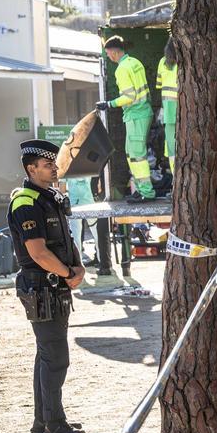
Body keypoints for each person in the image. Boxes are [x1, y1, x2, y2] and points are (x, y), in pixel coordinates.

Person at [7, 140, 85, 433]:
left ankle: (44, 421)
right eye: (48, 164)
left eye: (54, 163)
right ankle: (54, 423)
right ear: (31, 168)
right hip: (41, 286)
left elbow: (65, 240)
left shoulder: (48, 197)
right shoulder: (26, 202)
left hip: (54, 286)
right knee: (55, 357)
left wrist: (77, 269)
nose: (54, 168)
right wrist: (67, 273)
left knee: (47, 355)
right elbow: (38, 252)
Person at [96, 35, 156, 203]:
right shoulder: (135, 62)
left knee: (137, 155)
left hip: (136, 114)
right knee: (132, 153)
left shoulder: (121, 69)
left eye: (108, 53)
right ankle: (140, 189)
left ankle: (146, 192)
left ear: (114, 52)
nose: (108, 56)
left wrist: (108, 104)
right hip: (142, 112)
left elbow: (129, 97)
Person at [64, 175, 97, 265]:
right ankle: (103, 263)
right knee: (97, 234)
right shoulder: (87, 164)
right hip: (89, 203)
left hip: (75, 205)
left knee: (75, 237)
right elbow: (98, 185)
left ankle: (78, 263)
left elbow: (61, 189)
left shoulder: (66, 166)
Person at [157, 37, 178, 163]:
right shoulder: (183, 63)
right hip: (182, 107)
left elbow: (159, 85)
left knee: (171, 144)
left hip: (167, 107)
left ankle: (175, 176)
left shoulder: (162, 62)